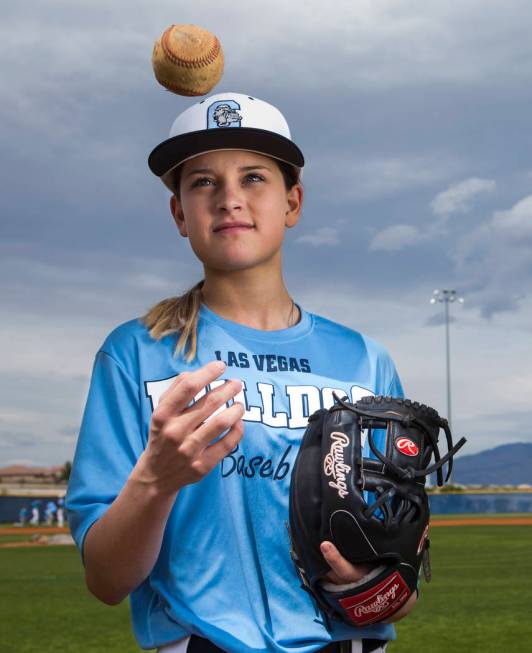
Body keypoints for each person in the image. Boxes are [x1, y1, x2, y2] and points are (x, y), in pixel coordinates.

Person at [66, 92, 415, 653]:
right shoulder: (136, 354)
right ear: (180, 213)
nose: (229, 199)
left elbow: (403, 580)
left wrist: (372, 584)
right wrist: (157, 479)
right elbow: (107, 581)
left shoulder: (364, 362)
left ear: (292, 203)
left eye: (254, 177)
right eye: (202, 182)